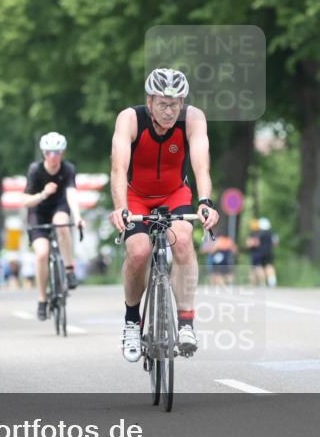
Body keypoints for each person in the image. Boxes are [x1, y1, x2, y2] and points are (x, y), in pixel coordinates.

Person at [109, 67, 219, 362]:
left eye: (175, 104)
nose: (170, 111)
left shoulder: (193, 119)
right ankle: (132, 320)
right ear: (150, 101)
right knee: (138, 250)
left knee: (183, 240)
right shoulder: (130, 119)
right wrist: (121, 206)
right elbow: (119, 168)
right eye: (163, 104)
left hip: (174, 194)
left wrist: (205, 201)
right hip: (136, 197)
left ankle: (186, 322)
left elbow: (201, 166)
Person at [21, 132, 83, 321]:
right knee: (41, 253)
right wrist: (43, 194)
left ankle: (69, 269)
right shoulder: (35, 170)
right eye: (49, 153)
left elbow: (71, 194)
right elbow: (26, 201)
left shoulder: (68, 169)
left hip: (59, 207)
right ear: (43, 153)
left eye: (57, 152)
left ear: (62, 153)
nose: (53, 157)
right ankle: (42, 298)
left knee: (62, 225)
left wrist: (78, 217)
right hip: (38, 210)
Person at [246, 217, 278, 288]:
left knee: (259, 267)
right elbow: (276, 243)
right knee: (269, 266)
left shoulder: (258, 233)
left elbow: (255, 243)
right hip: (269, 252)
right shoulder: (272, 233)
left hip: (259, 252)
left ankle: (262, 283)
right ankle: (272, 281)